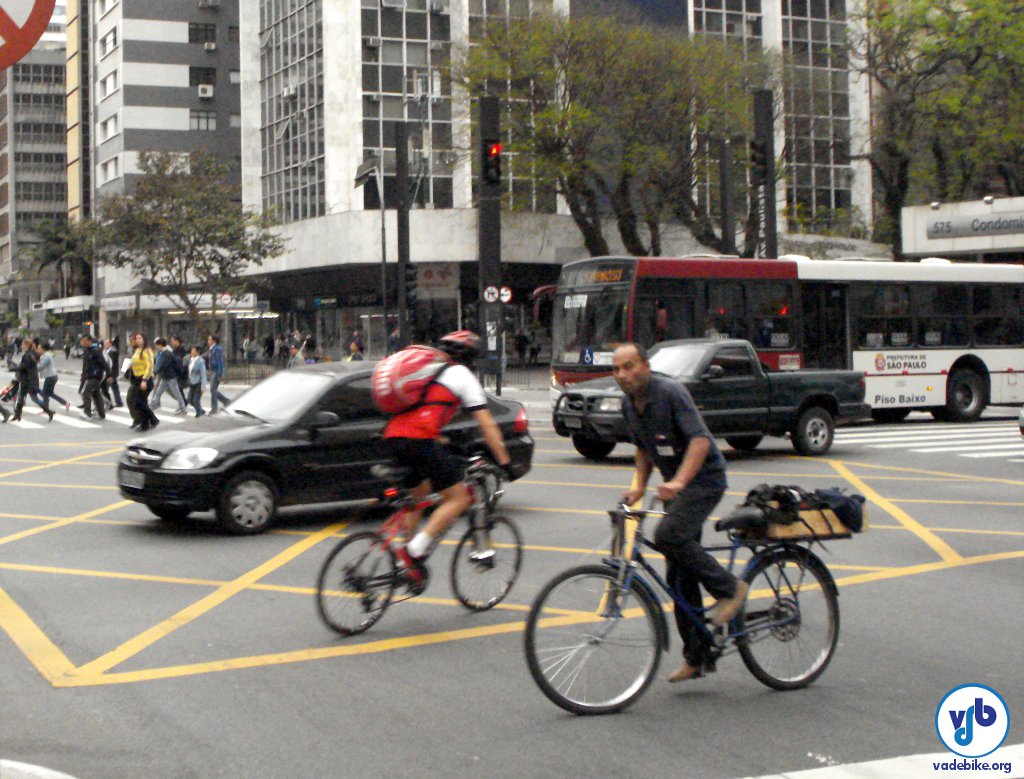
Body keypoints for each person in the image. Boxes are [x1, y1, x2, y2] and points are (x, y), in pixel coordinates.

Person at [612, 342, 748, 684]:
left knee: (668, 536)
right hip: (676, 487)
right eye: (617, 369)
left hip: (703, 480)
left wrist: (679, 481)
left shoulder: (670, 393)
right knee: (678, 576)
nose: (623, 375)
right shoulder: (629, 405)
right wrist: (641, 486)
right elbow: (643, 447)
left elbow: (700, 441)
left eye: (629, 366)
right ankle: (698, 657)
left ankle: (731, 590)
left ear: (644, 365)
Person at [382, 330, 516, 595]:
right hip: (419, 440)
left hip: (393, 437)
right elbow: (486, 423)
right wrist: (505, 462)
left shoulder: (428, 374)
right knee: (458, 499)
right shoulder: (462, 375)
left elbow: (423, 412)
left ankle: (407, 566)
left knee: (418, 496)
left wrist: (443, 441)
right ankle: (413, 551)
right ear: (471, 359)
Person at [126, 332, 158, 431]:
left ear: (144, 339)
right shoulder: (137, 350)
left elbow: (150, 366)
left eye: (140, 338)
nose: (138, 340)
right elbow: (134, 362)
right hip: (136, 379)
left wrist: (145, 379)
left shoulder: (147, 350)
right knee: (139, 402)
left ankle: (145, 424)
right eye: (137, 338)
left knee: (139, 402)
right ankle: (152, 420)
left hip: (144, 379)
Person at [13, 338, 51, 422]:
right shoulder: (31, 354)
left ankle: (49, 411)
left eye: (23, 344)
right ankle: (17, 415)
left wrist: (14, 368)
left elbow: (24, 366)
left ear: (26, 345)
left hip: (29, 380)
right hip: (28, 379)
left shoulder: (28, 355)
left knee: (34, 399)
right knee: (20, 397)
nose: (21, 346)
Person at [150, 338, 187, 414]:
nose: (156, 347)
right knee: (158, 392)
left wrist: (155, 372)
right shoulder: (164, 353)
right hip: (165, 377)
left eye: (157, 345)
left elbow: (163, 365)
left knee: (177, 393)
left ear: (160, 345)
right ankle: (152, 406)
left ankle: (183, 409)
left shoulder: (166, 354)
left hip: (170, 377)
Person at [77, 334, 108, 420]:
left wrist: (109, 375)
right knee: (96, 394)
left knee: (86, 393)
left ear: (89, 341)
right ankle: (101, 414)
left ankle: (87, 413)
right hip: (89, 375)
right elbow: (85, 366)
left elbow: (104, 363)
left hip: (96, 376)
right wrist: (83, 378)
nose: (82, 343)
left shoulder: (96, 350)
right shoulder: (87, 351)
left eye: (84, 341)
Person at [36, 342, 70, 415]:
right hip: (51, 376)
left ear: (43, 349)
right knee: (50, 393)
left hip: (50, 377)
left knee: (45, 393)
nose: (37, 349)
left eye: (39, 348)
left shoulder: (46, 356)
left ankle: (46, 409)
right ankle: (65, 403)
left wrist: (32, 367)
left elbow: (40, 366)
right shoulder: (44, 355)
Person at [206, 334, 230, 413]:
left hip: (216, 371)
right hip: (213, 370)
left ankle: (214, 408)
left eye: (210, 339)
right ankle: (226, 401)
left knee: (213, 390)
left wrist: (220, 374)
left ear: (214, 340)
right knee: (213, 390)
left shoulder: (217, 349)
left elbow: (220, 362)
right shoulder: (212, 349)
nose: (208, 341)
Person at [186, 344, 207, 417]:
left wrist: (203, 386)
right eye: (192, 350)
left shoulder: (200, 361)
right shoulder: (191, 360)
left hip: (199, 383)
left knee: (196, 400)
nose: (191, 352)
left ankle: (198, 414)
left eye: (193, 350)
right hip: (192, 383)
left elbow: (203, 374)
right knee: (190, 400)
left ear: (198, 352)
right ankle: (201, 410)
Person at [104, 337, 124, 408]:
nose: (105, 345)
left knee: (105, 389)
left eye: (106, 343)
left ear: (110, 344)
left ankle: (110, 403)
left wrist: (111, 375)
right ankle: (118, 402)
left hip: (111, 374)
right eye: (104, 343)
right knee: (114, 388)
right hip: (111, 374)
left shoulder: (112, 352)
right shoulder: (108, 351)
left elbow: (111, 365)